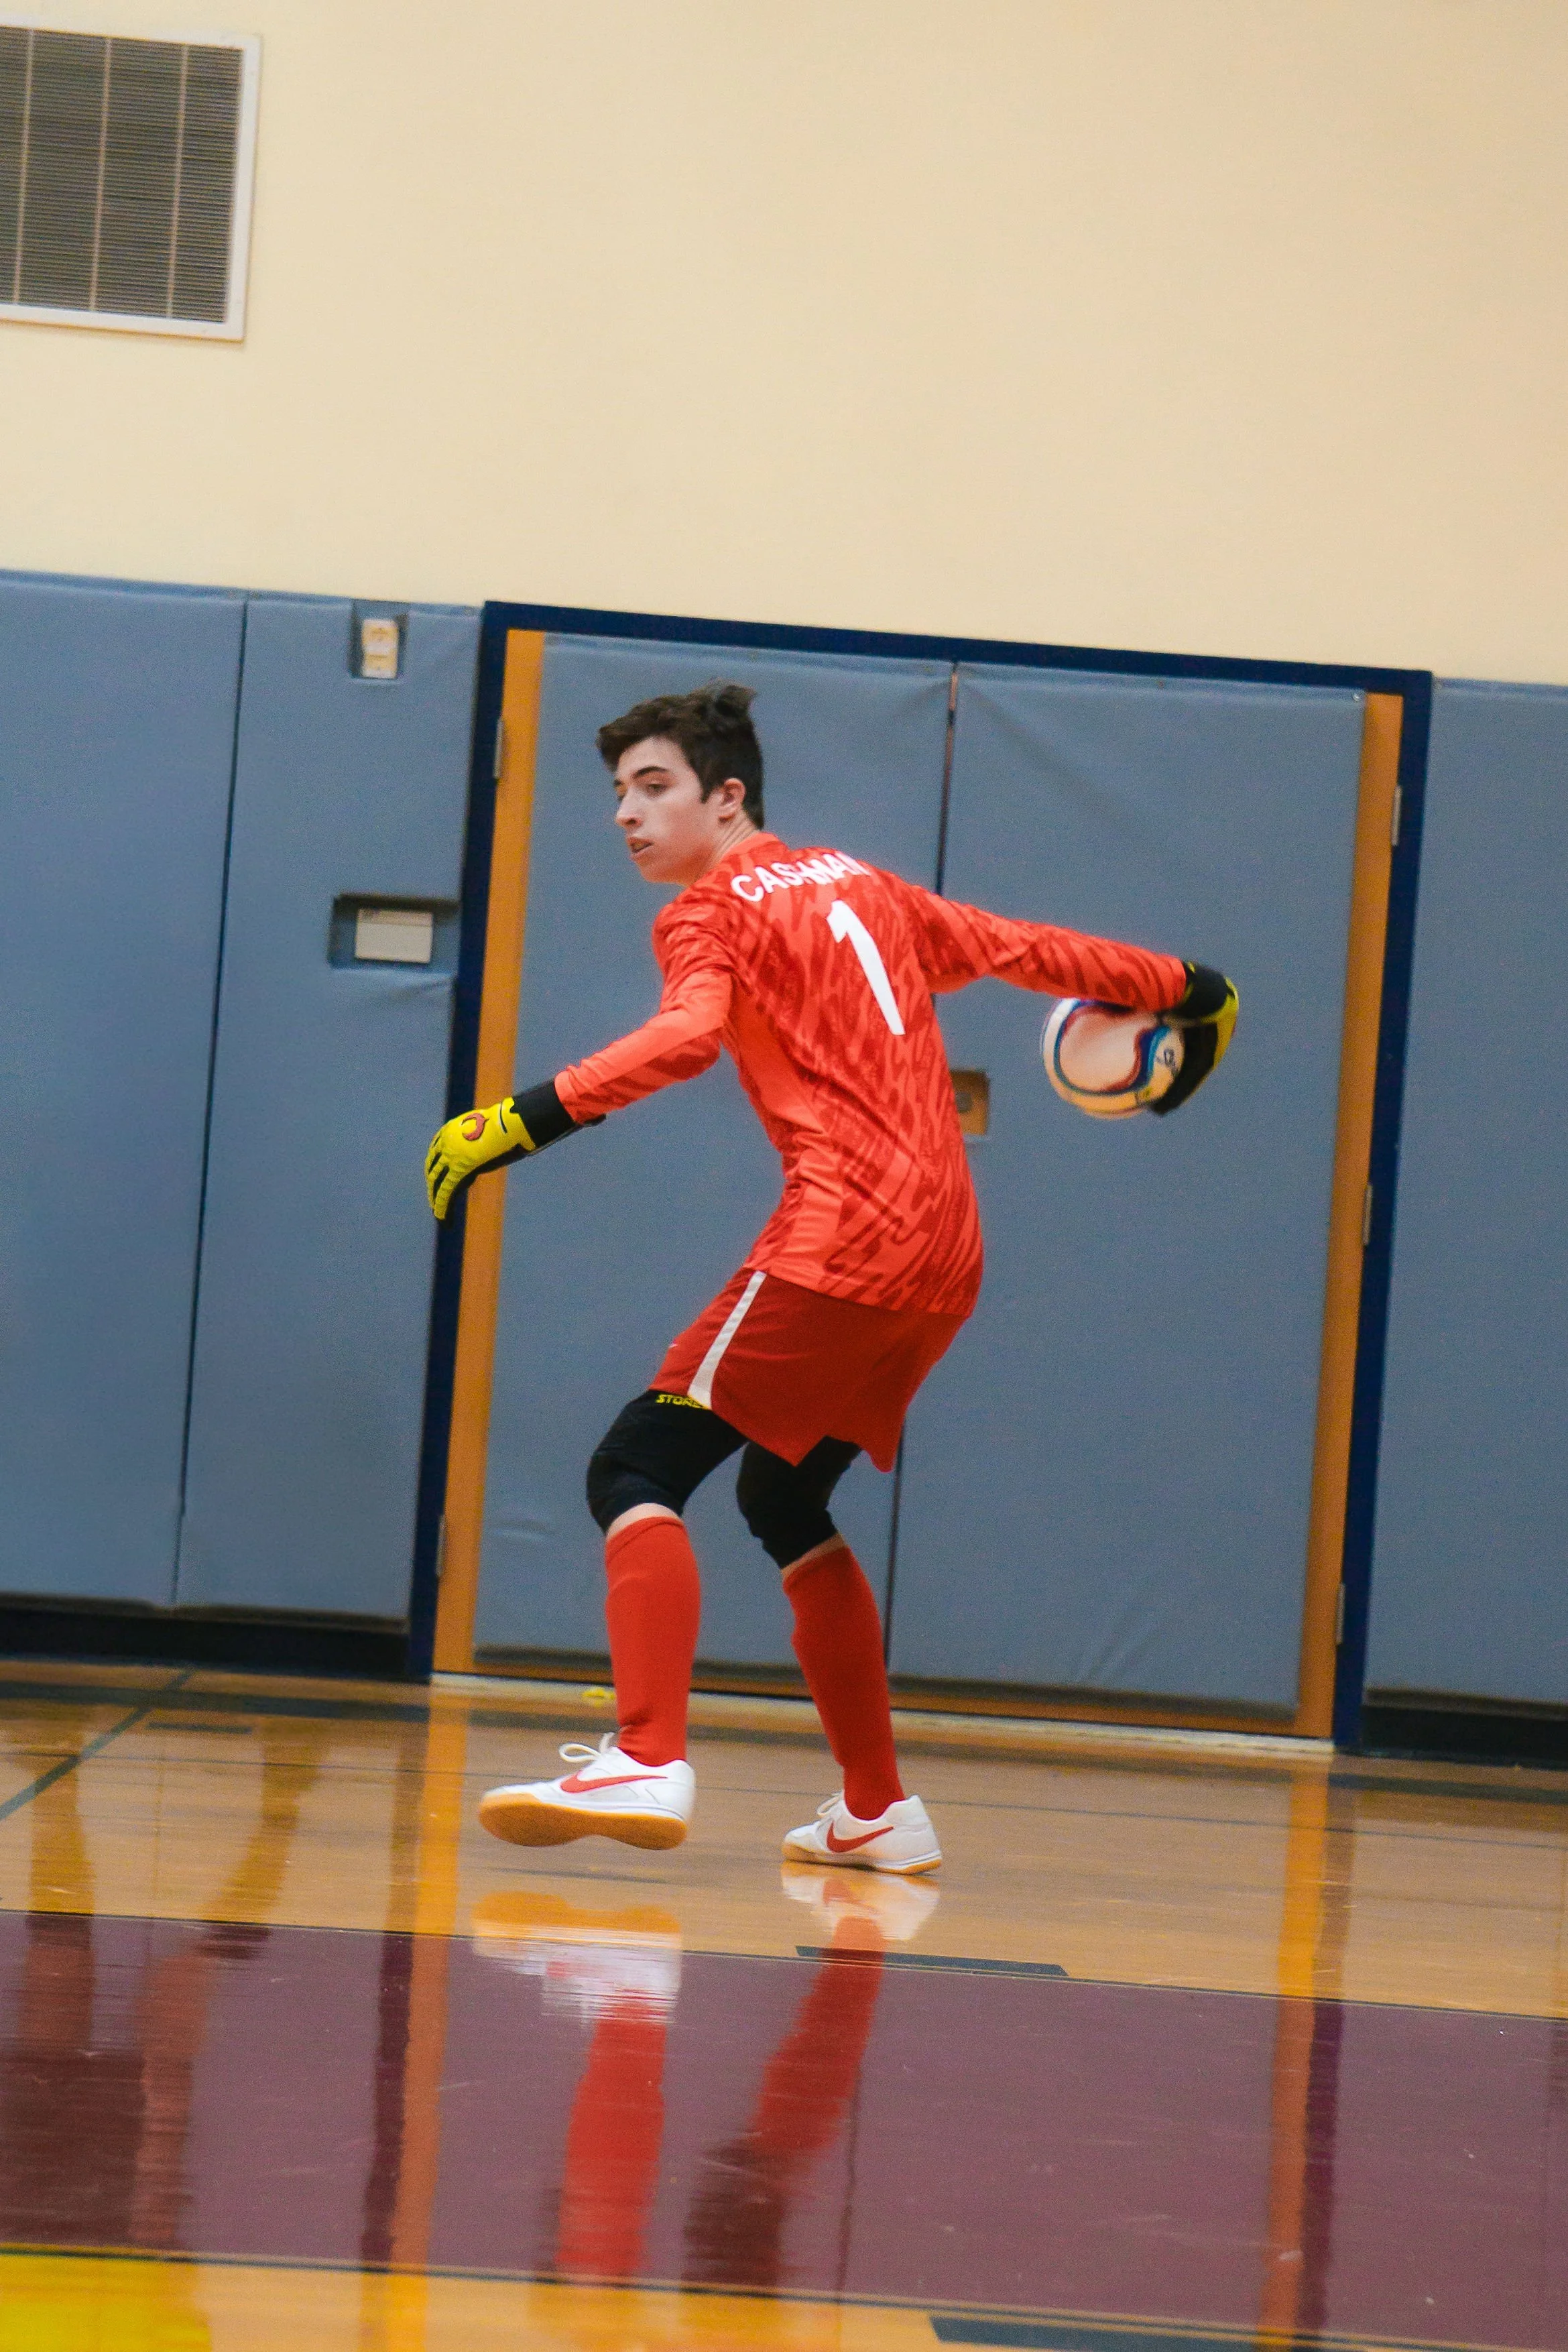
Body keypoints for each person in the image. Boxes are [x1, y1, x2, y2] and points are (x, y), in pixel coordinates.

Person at [426, 683, 1236, 1874]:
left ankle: (647, 1755)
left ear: (729, 793)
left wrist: (523, 1117)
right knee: (783, 1500)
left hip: (843, 1238)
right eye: (617, 794)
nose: (627, 816)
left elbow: (689, 1036)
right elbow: (1023, 949)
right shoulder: (866, 885)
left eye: (654, 787)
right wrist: (1186, 984)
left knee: (635, 1465)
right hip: (946, 1254)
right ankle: (877, 1810)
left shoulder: (704, 915)